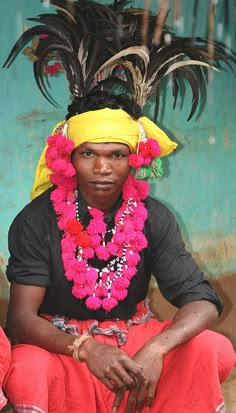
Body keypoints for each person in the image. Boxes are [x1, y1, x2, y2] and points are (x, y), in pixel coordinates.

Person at [2, 2, 236, 413]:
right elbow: (21, 320)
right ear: (67, 158)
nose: (102, 167)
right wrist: (85, 348)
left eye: (116, 154)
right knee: (27, 369)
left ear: (135, 160)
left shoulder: (154, 217)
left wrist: (157, 349)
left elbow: (201, 300)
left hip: (138, 345)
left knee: (211, 348)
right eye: (88, 153)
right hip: (67, 351)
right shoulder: (36, 220)